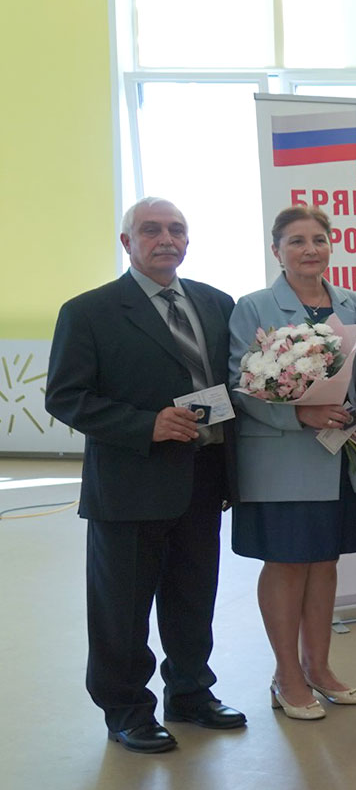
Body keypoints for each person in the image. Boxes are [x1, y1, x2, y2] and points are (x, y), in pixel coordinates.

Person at [46, 197, 246, 753]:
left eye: (176, 229)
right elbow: (65, 396)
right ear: (127, 242)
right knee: (122, 607)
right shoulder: (89, 311)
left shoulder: (215, 303)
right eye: (152, 230)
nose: (166, 239)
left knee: (193, 595)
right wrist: (146, 425)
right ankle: (127, 709)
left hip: (203, 478)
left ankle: (191, 692)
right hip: (130, 484)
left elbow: (231, 384)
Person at [227, 205, 356, 721]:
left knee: (325, 562)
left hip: (340, 455)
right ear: (277, 251)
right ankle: (286, 675)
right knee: (287, 563)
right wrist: (300, 414)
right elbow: (239, 386)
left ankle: (319, 668)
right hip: (281, 458)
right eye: (296, 241)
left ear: (331, 245)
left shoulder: (354, 304)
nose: (310, 249)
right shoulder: (254, 307)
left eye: (318, 239)